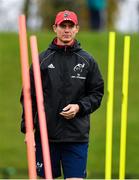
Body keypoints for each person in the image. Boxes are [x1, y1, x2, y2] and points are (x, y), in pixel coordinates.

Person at [20, 10, 104, 179]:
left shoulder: (87, 61)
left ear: (77, 29)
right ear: (55, 28)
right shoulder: (42, 60)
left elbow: (96, 94)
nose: (66, 30)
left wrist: (79, 107)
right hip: (46, 136)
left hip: (76, 138)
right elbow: (29, 97)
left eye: (70, 26)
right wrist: (28, 129)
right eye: (63, 26)